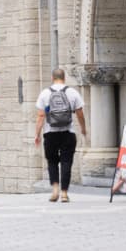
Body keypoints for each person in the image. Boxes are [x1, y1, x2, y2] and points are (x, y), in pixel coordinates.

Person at [33, 66, 88, 203]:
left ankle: (55, 190)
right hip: (68, 132)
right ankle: (64, 193)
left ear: (53, 78)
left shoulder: (45, 93)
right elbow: (80, 113)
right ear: (64, 78)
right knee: (66, 162)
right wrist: (83, 129)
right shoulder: (72, 93)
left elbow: (40, 116)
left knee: (52, 162)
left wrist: (37, 134)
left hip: (50, 133)